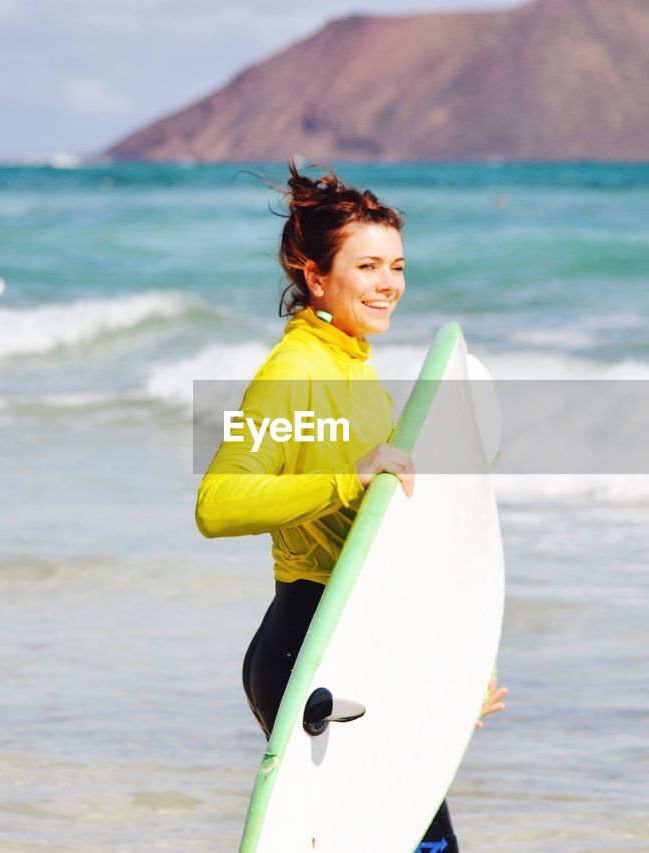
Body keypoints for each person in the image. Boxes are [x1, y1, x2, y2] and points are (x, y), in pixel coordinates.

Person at [195, 162, 506, 852]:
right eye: (367, 266)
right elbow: (217, 501)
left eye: (395, 265)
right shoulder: (294, 372)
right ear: (316, 275)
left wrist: (448, 665)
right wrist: (344, 478)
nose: (389, 283)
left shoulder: (354, 366)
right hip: (309, 654)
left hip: (360, 648)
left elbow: (383, 545)